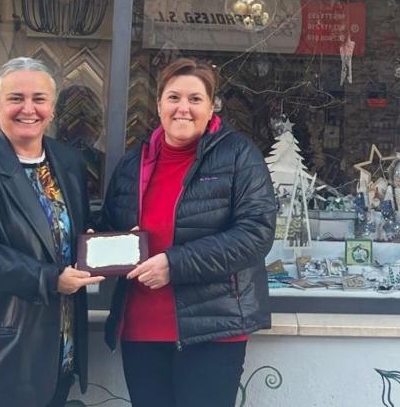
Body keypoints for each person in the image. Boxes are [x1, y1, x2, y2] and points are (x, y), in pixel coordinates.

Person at [100, 57, 277, 407]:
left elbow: (256, 234)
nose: (183, 108)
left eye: (195, 99)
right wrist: (100, 243)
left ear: (211, 107)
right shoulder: (133, 163)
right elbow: (111, 224)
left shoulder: (239, 156)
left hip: (212, 330)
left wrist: (174, 264)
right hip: (142, 329)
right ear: (159, 105)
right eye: (174, 97)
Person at [0, 56, 103, 407]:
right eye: (16, 98)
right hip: (0, 351)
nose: (28, 109)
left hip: (59, 348)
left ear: (52, 108)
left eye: (39, 99)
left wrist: (106, 242)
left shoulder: (68, 162)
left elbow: (68, 232)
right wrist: (50, 279)